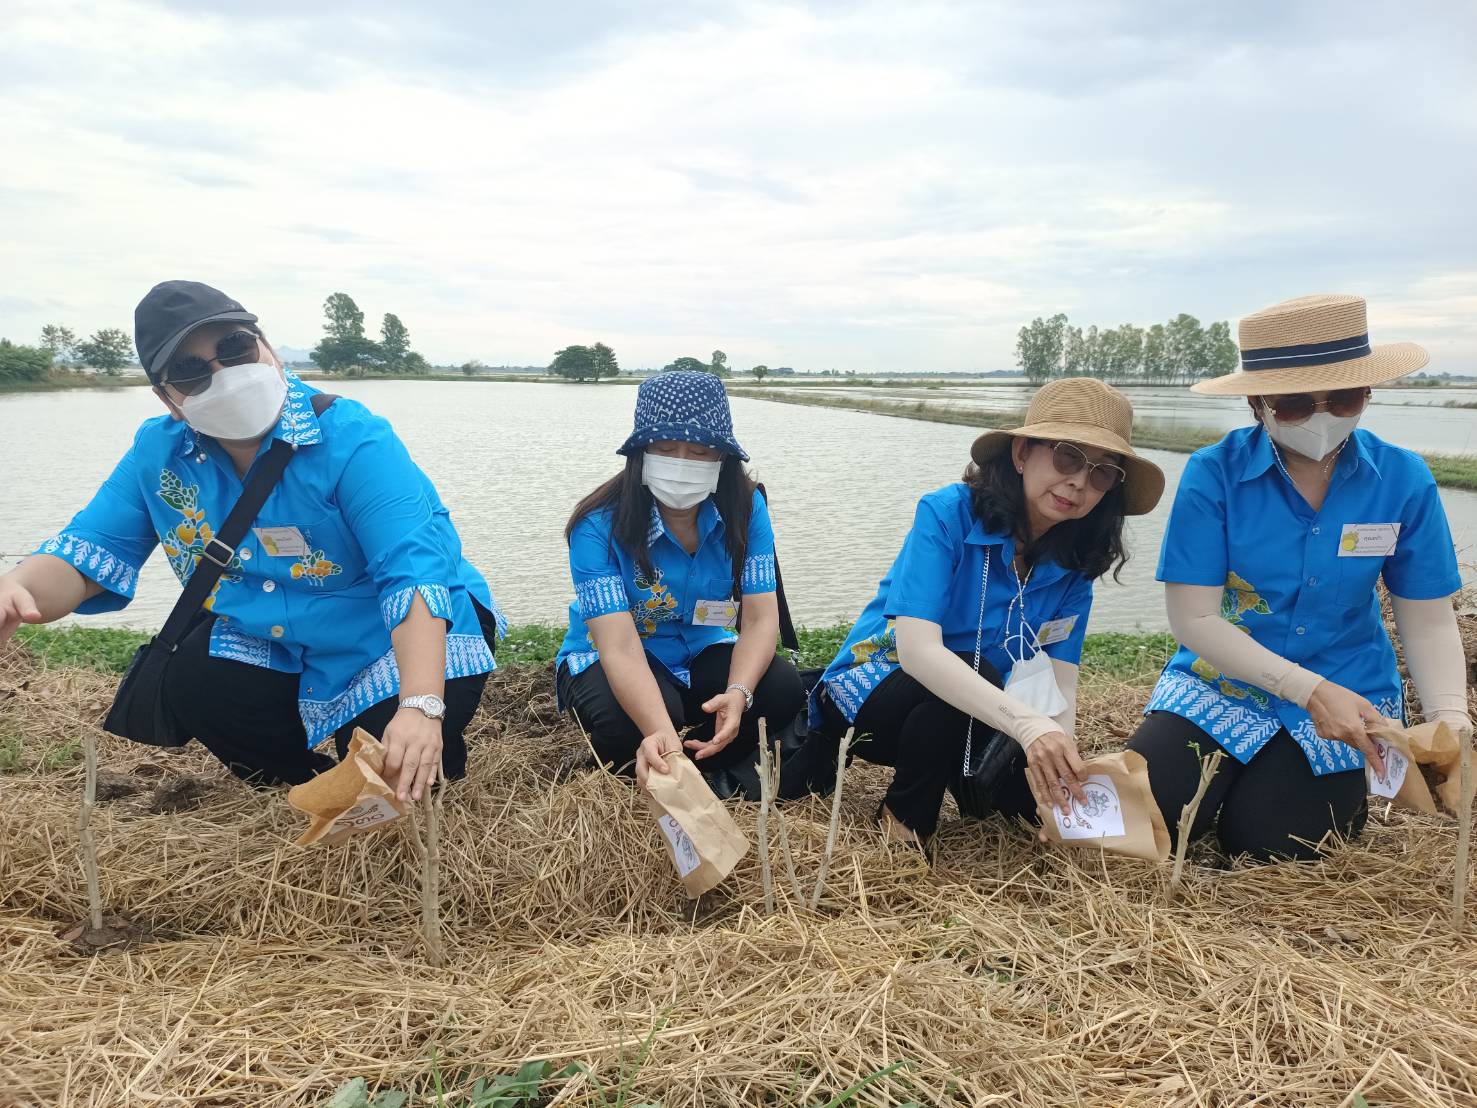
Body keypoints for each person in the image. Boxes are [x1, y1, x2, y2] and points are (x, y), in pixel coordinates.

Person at [0, 281, 504, 801]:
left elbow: (413, 571)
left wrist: (420, 704)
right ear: (167, 398)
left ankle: (412, 750)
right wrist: (17, 589)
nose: (224, 374)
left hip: (396, 635)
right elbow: (87, 555)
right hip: (278, 640)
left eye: (235, 348)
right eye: (191, 371)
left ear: (267, 348)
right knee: (192, 672)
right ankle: (301, 786)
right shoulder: (159, 454)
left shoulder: (354, 438)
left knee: (399, 772)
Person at [1130, 293, 1472, 862]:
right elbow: (1193, 619)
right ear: (1257, 402)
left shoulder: (1403, 480)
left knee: (1270, 844)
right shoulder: (1213, 475)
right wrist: (1308, 690)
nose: (1322, 417)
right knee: (1142, 821)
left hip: (1351, 694)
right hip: (1224, 680)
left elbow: (1430, 621)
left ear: (1367, 393)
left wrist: (1450, 717)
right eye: (1294, 404)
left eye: (1343, 398)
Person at [812, 378, 1165, 848]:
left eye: (1102, 472)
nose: (1079, 481)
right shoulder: (946, 514)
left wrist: (1059, 763)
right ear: (1021, 454)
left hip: (980, 699)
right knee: (969, 667)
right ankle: (903, 823)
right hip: (874, 689)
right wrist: (1026, 724)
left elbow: (1060, 679)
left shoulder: (1076, 559)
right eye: (1067, 457)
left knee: (1024, 803)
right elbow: (917, 652)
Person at [555, 370, 805, 788]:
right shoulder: (596, 525)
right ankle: (650, 754)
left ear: (722, 457)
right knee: (638, 721)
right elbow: (619, 645)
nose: (682, 464)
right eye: (666, 448)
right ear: (641, 453)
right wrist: (661, 733)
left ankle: (696, 760)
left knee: (780, 689)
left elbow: (762, 620)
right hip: (614, 652)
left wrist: (739, 694)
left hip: (701, 644)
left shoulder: (747, 510)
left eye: (700, 451)